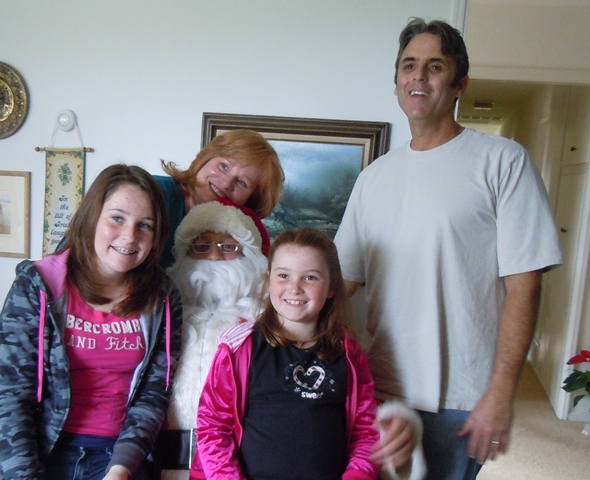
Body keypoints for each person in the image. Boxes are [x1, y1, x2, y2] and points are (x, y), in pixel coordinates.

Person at [334, 17, 563, 479]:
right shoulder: (374, 177)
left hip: (460, 399)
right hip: (380, 390)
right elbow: (341, 284)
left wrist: (501, 393)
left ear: (460, 84)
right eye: (408, 65)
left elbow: (524, 286)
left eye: (434, 66)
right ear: (397, 84)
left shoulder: (502, 162)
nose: (418, 76)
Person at [0, 164, 183, 480]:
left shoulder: (162, 297)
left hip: (121, 457)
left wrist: (120, 469)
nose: (129, 236)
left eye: (145, 225)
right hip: (43, 450)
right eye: (117, 218)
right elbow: (12, 393)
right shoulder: (37, 285)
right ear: (92, 216)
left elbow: (154, 393)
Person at [191, 228, 425, 480]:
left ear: (331, 287)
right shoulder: (239, 347)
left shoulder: (348, 351)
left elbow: (365, 430)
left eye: (310, 277)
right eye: (284, 275)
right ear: (269, 280)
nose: (295, 288)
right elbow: (213, 427)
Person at [159, 199, 269, 480]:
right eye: (201, 246)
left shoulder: (264, 325)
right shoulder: (164, 315)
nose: (214, 256)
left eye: (228, 247)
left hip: (234, 465)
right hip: (163, 460)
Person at [154, 129, 284, 268]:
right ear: (206, 158)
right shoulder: (155, 193)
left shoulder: (243, 235)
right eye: (223, 166)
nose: (227, 183)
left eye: (242, 182)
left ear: (252, 200)